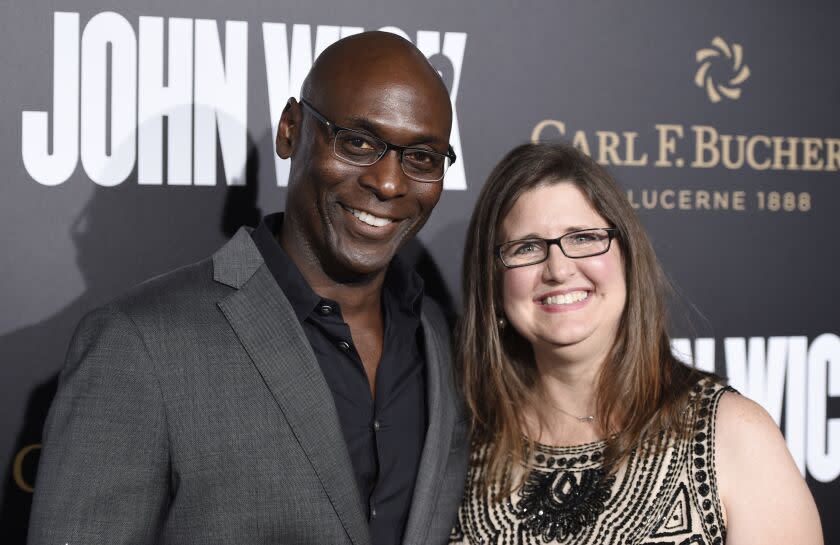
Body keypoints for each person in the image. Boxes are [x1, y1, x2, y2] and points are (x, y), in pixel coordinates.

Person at [29, 31, 469, 545]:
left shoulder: (442, 340)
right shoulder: (138, 346)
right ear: (291, 130)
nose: (389, 183)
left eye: (422, 157)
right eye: (359, 142)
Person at [450, 143, 822, 545]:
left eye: (584, 237)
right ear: (492, 281)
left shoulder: (733, 435)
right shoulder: (459, 449)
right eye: (526, 247)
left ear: (628, 258)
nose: (557, 268)